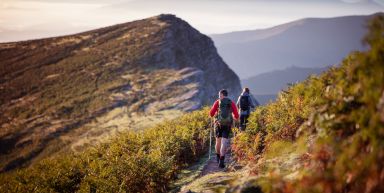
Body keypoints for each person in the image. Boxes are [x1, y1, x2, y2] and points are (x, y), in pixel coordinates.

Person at [209, 89, 239, 168]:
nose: (219, 96)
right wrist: (234, 118)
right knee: (224, 142)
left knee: (218, 142)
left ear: (222, 95)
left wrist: (215, 114)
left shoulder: (217, 102)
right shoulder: (231, 102)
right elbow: (236, 115)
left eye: (219, 95)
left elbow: (211, 113)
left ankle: (218, 158)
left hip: (218, 124)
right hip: (227, 125)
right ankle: (222, 161)